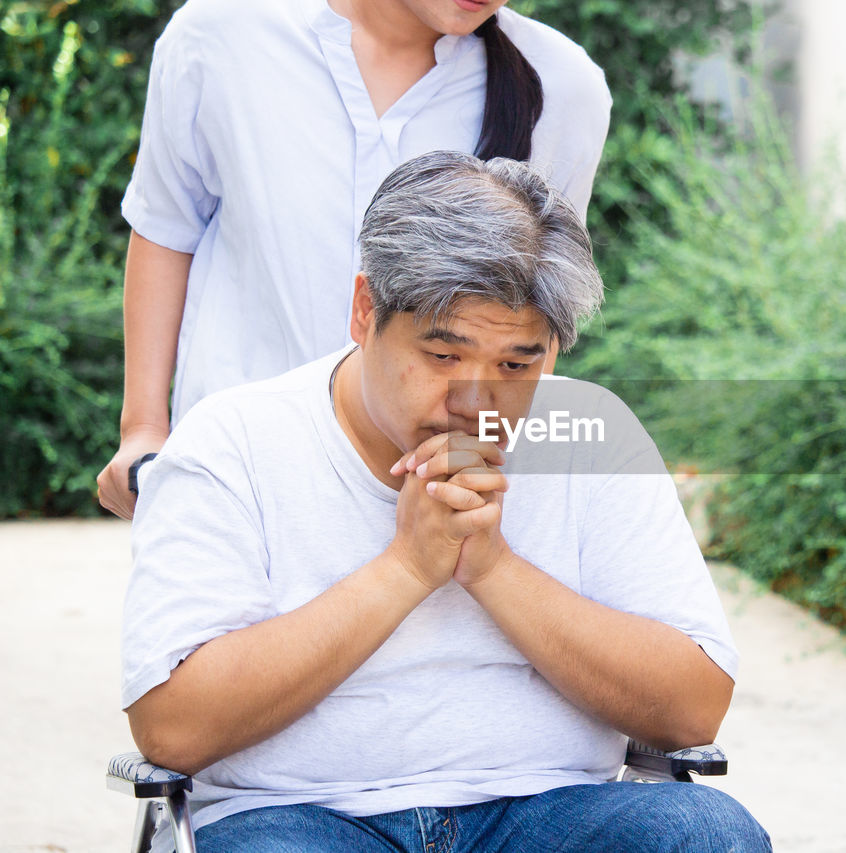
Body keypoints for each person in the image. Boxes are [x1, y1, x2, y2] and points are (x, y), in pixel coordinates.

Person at [120, 151, 772, 852]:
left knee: (711, 834)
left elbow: (693, 708)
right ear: (365, 309)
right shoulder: (233, 441)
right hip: (299, 817)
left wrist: (493, 569)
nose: (474, 400)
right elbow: (173, 728)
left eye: (515, 365)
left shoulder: (591, 433)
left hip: (547, 811)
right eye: (443, 355)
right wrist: (405, 568)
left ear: (550, 354)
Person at [96, 0, 612, 520]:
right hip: (233, 478)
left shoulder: (564, 84)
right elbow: (167, 231)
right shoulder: (220, 33)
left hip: (428, 495)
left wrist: (479, 464)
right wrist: (143, 429)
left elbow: (538, 310)